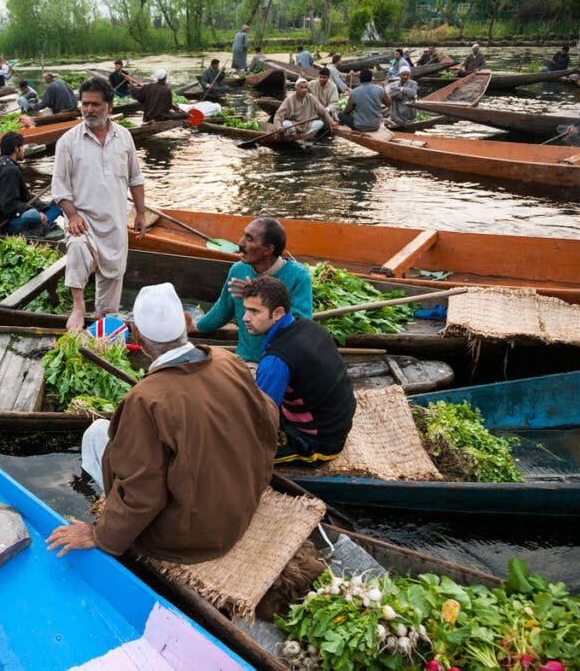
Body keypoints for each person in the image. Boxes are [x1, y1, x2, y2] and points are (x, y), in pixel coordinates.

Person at [46, 282, 278, 562]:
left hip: (188, 539)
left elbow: (142, 493)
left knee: (96, 433)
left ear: (139, 340)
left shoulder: (146, 399)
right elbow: (269, 416)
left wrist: (100, 535)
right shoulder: (230, 362)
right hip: (241, 509)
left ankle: (108, 512)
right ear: (186, 322)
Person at [52, 76, 145, 330]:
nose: (89, 110)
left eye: (95, 104)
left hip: (115, 222)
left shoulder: (124, 137)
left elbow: (135, 178)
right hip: (83, 220)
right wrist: (72, 215)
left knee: (112, 279)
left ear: (109, 107)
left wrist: (140, 213)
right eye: (85, 104)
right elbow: (59, 189)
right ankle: (79, 307)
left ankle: (104, 325)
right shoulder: (68, 142)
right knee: (78, 248)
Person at [241, 277, 355, 465]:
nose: (245, 317)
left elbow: (259, 418)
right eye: (245, 309)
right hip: (337, 420)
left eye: (254, 311)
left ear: (277, 313)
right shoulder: (308, 326)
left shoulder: (276, 360)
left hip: (320, 441)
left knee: (238, 456)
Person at [190, 217, 312, 362]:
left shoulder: (298, 276)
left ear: (268, 249)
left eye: (249, 239)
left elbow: (300, 329)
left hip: (279, 361)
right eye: (243, 235)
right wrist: (195, 326)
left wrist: (258, 296)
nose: (240, 243)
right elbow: (222, 311)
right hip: (245, 359)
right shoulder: (238, 269)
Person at [0, 132, 61, 236]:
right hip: (7, 223)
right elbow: (9, 205)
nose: (24, 149)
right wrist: (36, 212)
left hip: (0, 219)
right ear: (16, 149)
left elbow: (22, 197)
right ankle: (36, 229)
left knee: (53, 204)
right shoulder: (10, 170)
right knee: (37, 214)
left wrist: (42, 205)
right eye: (22, 146)